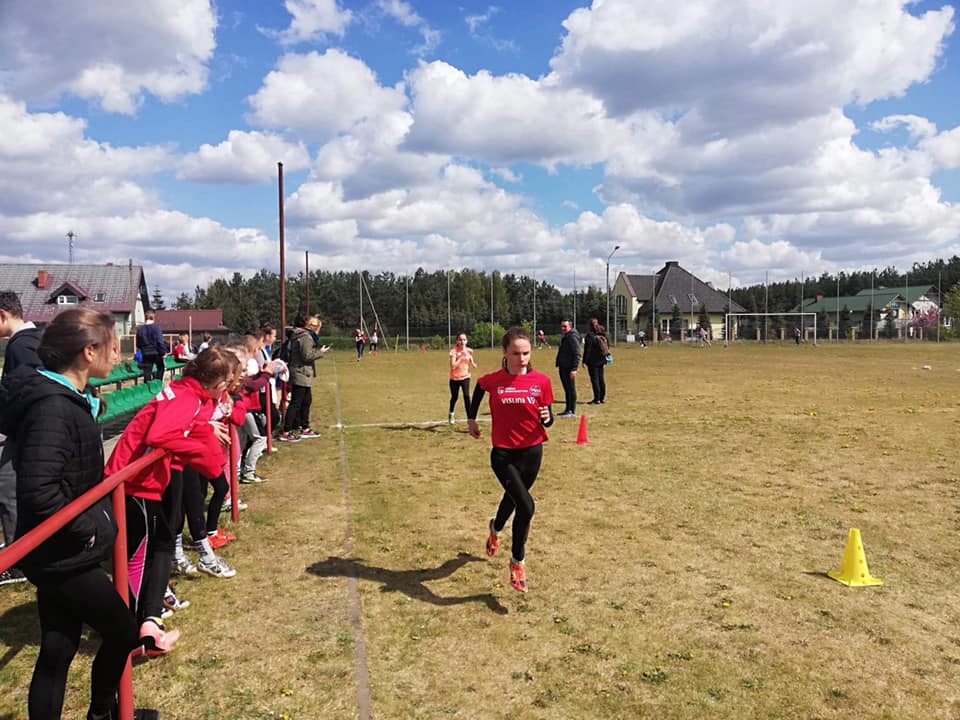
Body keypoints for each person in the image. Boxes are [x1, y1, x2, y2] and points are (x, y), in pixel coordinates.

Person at [0, 308, 139, 720]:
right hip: (60, 552)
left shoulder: (68, 399)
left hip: (58, 548)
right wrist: (89, 528)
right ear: (88, 352)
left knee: (58, 646)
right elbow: (41, 491)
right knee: (122, 630)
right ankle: (102, 714)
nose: (118, 356)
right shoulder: (53, 408)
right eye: (112, 347)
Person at [467, 327, 554, 593]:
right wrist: (471, 419)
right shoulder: (494, 380)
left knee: (514, 498)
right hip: (503, 454)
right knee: (526, 506)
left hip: (532, 452)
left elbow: (548, 416)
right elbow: (479, 388)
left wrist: (548, 418)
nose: (521, 358)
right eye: (516, 353)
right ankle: (518, 562)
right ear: (505, 353)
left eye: (526, 353)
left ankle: (495, 528)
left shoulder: (542, 381)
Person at [0, 290, 42, 586]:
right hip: (26, 433)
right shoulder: (31, 341)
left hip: (22, 435)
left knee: (8, 491)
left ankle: (19, 561)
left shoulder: (21, 347)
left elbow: (27, 393)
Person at [280, 315, 329, 442]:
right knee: (296, 403)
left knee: (306, 401)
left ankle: (304, 427)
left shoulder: (301, 335)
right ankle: (286, 430)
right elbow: (306, 356)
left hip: (302, 373)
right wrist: (321, 352)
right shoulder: (305, 337)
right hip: (301, 372)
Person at [448, 332, 477, 424]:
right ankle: (451, 413)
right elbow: (453, 366)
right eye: (460, 340)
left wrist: (473, 363)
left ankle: (470, 419)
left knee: (467, 396)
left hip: (465, 377)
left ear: (466, 341)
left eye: (464, 339)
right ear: (457, 341)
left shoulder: (469, 350)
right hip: (454, 379)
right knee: (454, 397)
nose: (462, 341)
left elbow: (470, 356)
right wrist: (460, 358)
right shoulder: (453, 352)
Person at [554, 319, 581, 418]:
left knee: (571, 389)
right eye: (562, 326)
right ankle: (567, 409)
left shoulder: (572, 337)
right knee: (567, 389)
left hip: (569, 368)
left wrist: (574, 369)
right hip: (563, 366)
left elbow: (577, 353)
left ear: (570, 327)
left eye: (565, 326)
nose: (563, 328)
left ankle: (571, 411)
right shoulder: (566, 337)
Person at [135, 310, 167, 382]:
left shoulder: (140, 329)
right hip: (156, 353)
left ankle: (148, 386)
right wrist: (163, 352)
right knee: (161, 368)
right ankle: (158, 383)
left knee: (147, 372)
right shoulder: (157, 328)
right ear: (153, 318)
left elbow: (138, 344)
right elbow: (160, 341)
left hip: (146, 353)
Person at [582, 318, 608, 405]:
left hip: (593, 361)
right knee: (601, 379)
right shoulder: (602, 333)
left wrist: (584, 361)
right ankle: (602, 398)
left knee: (595, 380)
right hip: (601, 359)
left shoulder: (590, 336)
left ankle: (596, 399)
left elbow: (587, 349)